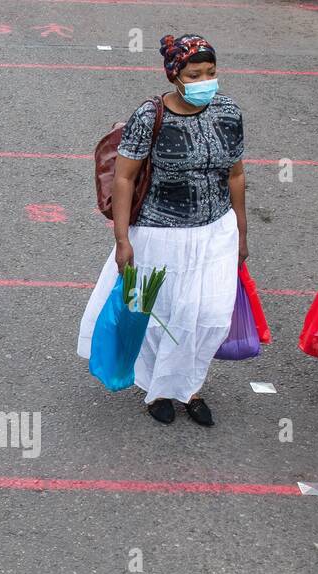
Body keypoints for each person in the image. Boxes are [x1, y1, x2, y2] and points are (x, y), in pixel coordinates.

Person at [78, 34, 248, 426]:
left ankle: (188, 383)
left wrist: (241, 231)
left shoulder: (228, 112)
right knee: (161, 317)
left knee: (209, 317)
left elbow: (236, 174)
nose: (205, 80)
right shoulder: (149, 117)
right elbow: (124, 179)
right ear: (175, 76)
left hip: (215, 232)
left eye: (211, 72)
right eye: (195, 73)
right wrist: (122, 240)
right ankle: (161, 390)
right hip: (160, 232)